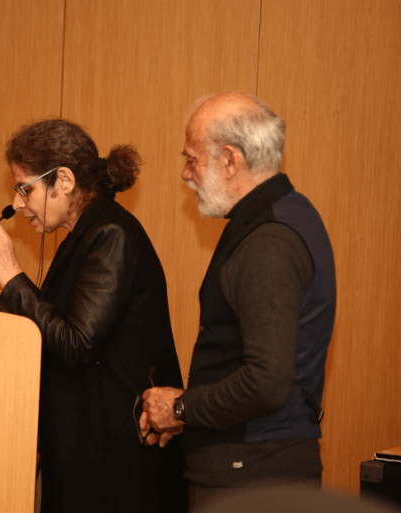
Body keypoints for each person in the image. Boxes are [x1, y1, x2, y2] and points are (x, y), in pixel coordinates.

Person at [0, 119, 186, 513]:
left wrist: (10, 275)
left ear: (63, 180)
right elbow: (57, 319)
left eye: (25, 189)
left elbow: (75, 344)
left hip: (114, 465)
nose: (17, 204)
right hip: (88, 452)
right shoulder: (84, 235)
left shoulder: (112, 235)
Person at [140, 92, 337, 511]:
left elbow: (266, 382)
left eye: (192, 159)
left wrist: (181, 408)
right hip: (254, 466)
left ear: (230, 160)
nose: (185, 174)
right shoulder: (288, 213)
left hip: (251, 478)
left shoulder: (269, 240)